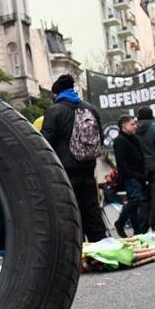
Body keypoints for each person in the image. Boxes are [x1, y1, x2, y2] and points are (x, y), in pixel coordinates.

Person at [41, 74, 108, 242]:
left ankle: (76, 246)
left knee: (71, 208)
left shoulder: (54, 110)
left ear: (56, 94)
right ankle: (99, 244)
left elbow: (45, 142)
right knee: (91, 206)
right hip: (88, 165)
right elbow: (101, 137)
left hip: (65, 169)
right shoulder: (90, 109)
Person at [112, 115, 147, 237]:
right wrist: (132, 175)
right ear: (124, 126)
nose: (135, 126)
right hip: (130, 176)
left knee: (136, 203)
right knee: (135, 200)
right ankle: (120, 222)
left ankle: (138, 231)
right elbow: (121, 162)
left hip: (139, 175)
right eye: (132, 124)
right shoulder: (120, 140)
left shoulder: (135, 139)